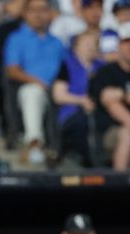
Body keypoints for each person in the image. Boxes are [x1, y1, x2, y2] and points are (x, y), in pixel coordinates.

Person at [4, 0, 65, 165]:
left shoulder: (57, 42)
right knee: (32, 92)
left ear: (50, 13)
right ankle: (34, 144)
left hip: (58, 91)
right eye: (33, 10)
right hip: (30, 89)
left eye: (43, 10)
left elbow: (67, 69)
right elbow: (12, 70)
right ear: (25, 14)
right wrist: (39, 83)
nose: (38, 14)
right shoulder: (16, 38)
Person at [52, 30, 102, 166]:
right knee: (80, 123)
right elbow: (58, 95)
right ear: (76, 47)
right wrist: (82, 100)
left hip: (99, 111)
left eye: (94, 44)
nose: (90, 47)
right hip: (73, 112)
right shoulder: (67, 65)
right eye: (86, 43)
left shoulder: (102, 67)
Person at [90, 22, 130, 170]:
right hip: (110, 132)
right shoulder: (106, 72)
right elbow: (108, 100)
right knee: (127, 133)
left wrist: (121, 94)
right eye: (127, 42)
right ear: (119, 45)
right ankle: (121, 185)